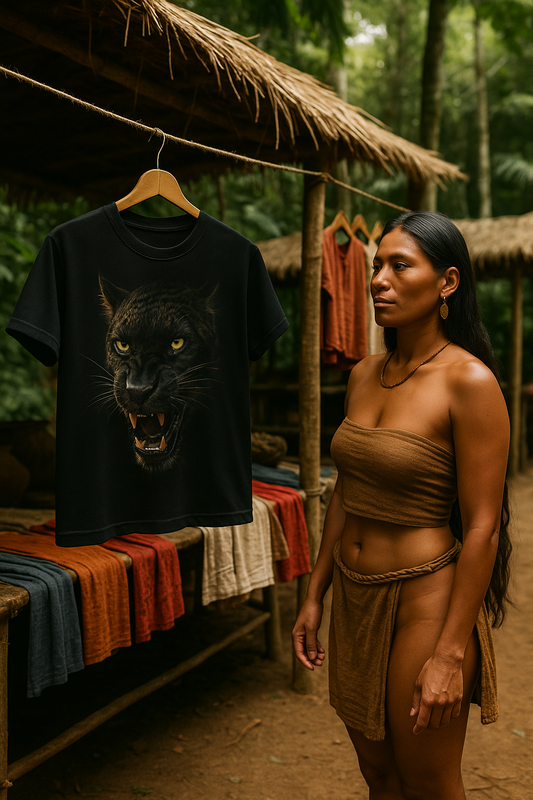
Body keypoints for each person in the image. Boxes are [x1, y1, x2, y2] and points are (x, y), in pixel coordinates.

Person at [292, 211, 511, 800]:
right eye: (375, 266)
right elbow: (347, 489)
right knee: (378, 774)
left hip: (425, 602)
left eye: (400, 265)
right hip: (355, 598)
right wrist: (315, 593)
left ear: (447, 283)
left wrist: (449, 652)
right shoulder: (364, 374)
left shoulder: (469, 381)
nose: (379, 280)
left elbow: (485, 527)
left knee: (429, 781)